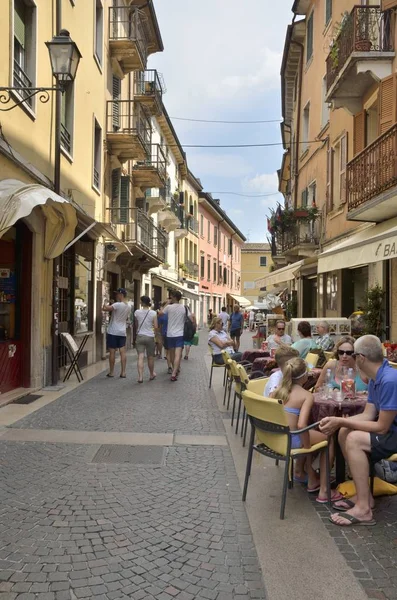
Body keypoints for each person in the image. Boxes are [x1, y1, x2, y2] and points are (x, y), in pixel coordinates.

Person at [319, 335, 397, 526]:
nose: (350, 357)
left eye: (353, 354)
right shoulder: (376, 377)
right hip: (390, 431)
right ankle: (366, 498)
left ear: (361, 357)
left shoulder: (388, 380)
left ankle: (363, 510)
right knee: (345, 431)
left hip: (392, 432)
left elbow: (382, 426)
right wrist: (340, 423)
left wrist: (340, 420)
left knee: (353, 438)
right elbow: (369, 415)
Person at [273, 357, 342, 504]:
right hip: (292, 439)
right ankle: (324, 490)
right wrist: (307, 447)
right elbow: (302, 425)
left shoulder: (276, 392)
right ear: (304, 376)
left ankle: (309, 477)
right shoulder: (306, 395)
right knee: (328, 438)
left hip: (275, 438)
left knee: (309, 435)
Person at [161, 291, 193, 381]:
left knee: (171, 354)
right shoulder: (184, 308)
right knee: (178, 354)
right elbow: (191, 319)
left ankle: (174, 370)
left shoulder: (168, 307)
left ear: (174, 297)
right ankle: (175, 372)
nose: (170, 297)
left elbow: (160, 313)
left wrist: (166, 304)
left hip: (170, 334)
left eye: (171, 296)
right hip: (180, 334)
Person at [103, 288, 130, 378]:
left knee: (112, 352)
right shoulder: (128, 306)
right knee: (123, 352)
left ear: (121, 295)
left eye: (117, 294)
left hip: (113, 331)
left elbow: (105, 309)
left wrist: (104, 301)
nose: (116, 295)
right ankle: (123, 372)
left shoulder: (117, 305)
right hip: (122, 331)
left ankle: (111, 372)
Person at [134, 296, 157, 383]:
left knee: (140, 356)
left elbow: (136, 324)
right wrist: (154, 333)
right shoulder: (153, 313)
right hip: (150, 336)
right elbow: (156, 326)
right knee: (150, 357)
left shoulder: (137, 312)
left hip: (140, 336)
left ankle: (140, 377)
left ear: (141, 303)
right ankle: (151, 374)